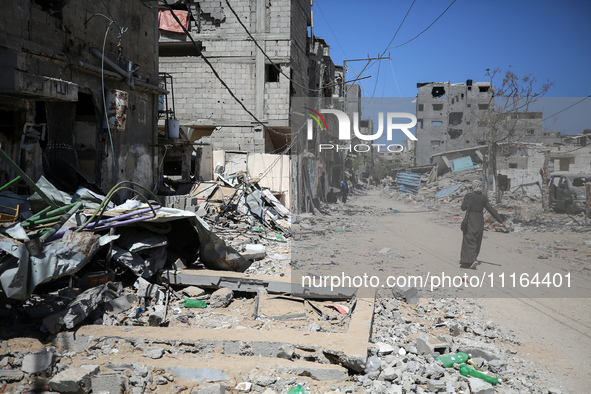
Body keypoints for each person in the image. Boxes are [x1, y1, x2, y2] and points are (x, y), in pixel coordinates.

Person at [460, 180, 508, 269]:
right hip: (479, 221)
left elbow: (463, 208)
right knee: (477, 240)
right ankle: (473, 258)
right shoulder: (483, 197)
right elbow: (491, 209)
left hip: (470, 220)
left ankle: (470, 260)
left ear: (473, 186)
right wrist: (501, 221)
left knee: (469, 240)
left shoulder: (469, 196)